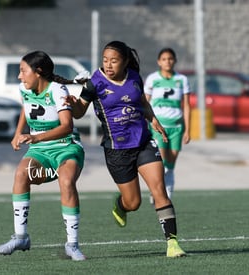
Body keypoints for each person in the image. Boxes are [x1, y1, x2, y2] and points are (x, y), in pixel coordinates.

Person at [64, 41, 186, 257]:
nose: (108, 64)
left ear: (125, 61)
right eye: (105, 60)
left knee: (159, 189)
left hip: (143, 142)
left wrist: (153, 119)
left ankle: (172, 244)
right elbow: (79, 112)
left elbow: (142, 102)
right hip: (117, 149)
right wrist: (73, 104)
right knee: (133, 202)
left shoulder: (134, 77)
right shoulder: (94, 83)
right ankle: (121, 205)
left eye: (114, 60)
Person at [0, 50, 86, 261]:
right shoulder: (24, 88)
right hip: (40, 150)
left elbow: (66, 126)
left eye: (22, 71)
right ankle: (21, 237)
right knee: (21, 175)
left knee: (66, 180)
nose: (19, 76)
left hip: (66, 147)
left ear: (38, 72)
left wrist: (36, 137)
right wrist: (18, 133)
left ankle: (72, 245)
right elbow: (26, 109)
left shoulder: (57, 90)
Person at [144, 48, 191, 201]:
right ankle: (157, 193)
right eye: (164, 59)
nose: (167, 62)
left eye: (170, 59)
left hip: (177, 128)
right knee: (162, 163)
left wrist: (187, 130)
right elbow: (145, 103)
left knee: (170, 165)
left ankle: (168, 195)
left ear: (175, 60)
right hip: (159, 127)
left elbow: (187, 106)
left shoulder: (182, 80)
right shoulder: (152, 79)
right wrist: (145, 124)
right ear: (159, 62)